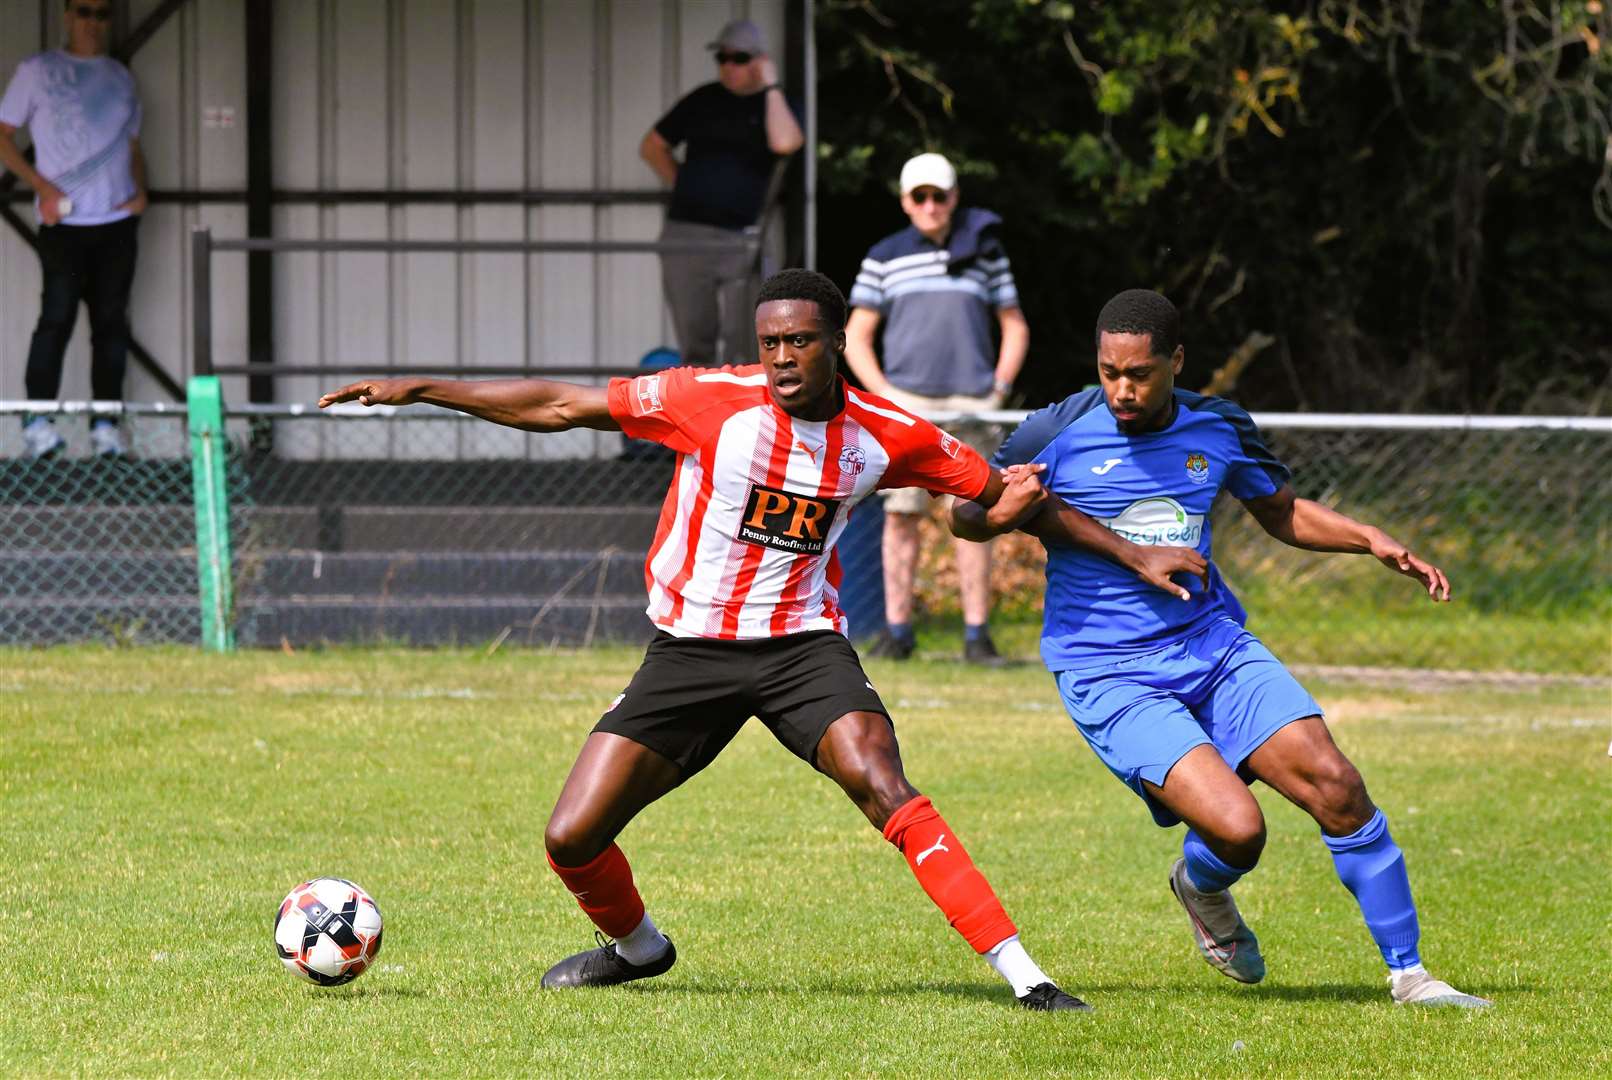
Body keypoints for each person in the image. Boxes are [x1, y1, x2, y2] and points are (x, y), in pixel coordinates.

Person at [319, 269, 1135, 1011]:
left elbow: (1001, 498)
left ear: (838, 342)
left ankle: (1026, 977)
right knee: (570, 836)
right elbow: (560, 405)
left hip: (802, 649)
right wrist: (423, 388)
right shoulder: (705, 398)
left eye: (800, 341)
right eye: (770, 342)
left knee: (883, 779)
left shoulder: (889, 434)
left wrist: (1133, 552)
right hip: (691, 651)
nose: (782, 357)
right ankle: (639, 951)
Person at [950, 288, 1491, 1008]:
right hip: (1108, 671)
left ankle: (1412, 977)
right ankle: (1199, 884)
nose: (1122, 390)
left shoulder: (1219, 426)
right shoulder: (1058, 426)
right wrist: (996, 518)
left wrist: (1369, 539)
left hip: (1211, 645)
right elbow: (965, 510)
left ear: (1176, 361)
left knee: (1338, 785)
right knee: (1240, 831)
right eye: (1109, 371)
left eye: (1139, 373)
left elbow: (1283, 511)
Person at [844, 152, 1029, 663]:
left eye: (938, 196)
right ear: (905, 201)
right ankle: (897, 631)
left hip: (973, 407)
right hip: (908, 408)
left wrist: (998, 388)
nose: (929, 206)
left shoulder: (985, 253)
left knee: (974, 517)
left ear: (954, 198)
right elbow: (856, 336)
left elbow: (1014, 324)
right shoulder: (884, 255)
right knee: (900, 517)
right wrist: (885, 396)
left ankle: (977, 636)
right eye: (919, 196)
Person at [0, 0, 147, 459]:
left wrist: (142, 192)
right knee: (56, 320)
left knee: (111, 327)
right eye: (84, 11)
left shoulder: (121, 77)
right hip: (63, 225)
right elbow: (2, 135)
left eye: (102, 14)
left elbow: (133, 143)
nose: (93, 22)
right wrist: (41, 186)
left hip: (116, 225)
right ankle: (38, 426)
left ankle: (106, 427)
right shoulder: (37, 70)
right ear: (67, 16)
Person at [640, 18, 803, 367]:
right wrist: (685, 185)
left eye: (740, 58)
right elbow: (652, 146)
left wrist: (770, 85)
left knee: (744, 337)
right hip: (686, 233)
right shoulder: (702, 99)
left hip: (740, 236)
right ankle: (702, 415)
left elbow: (787, 142)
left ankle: (741, 412)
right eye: (722, 58)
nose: (729, 66)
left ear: (760, 61)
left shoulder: (774, 104)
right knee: (695, 335)